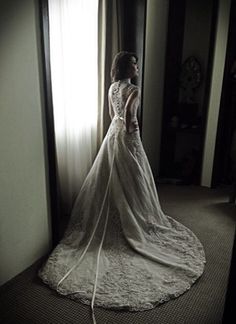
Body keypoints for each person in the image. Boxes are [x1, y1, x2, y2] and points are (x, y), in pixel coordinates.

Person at [39, 51, 206, 324]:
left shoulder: (112, 87)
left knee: (109, 178)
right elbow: (129, 115)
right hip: (127, 136)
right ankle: (134, 220)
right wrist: (132, 132)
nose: (138, 66)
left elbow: (111, 114)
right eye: (136, 63)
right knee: (134, 179)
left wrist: (119, 127)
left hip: (111, 134)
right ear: (130, 67)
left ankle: (113, 214)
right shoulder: (133, 89)